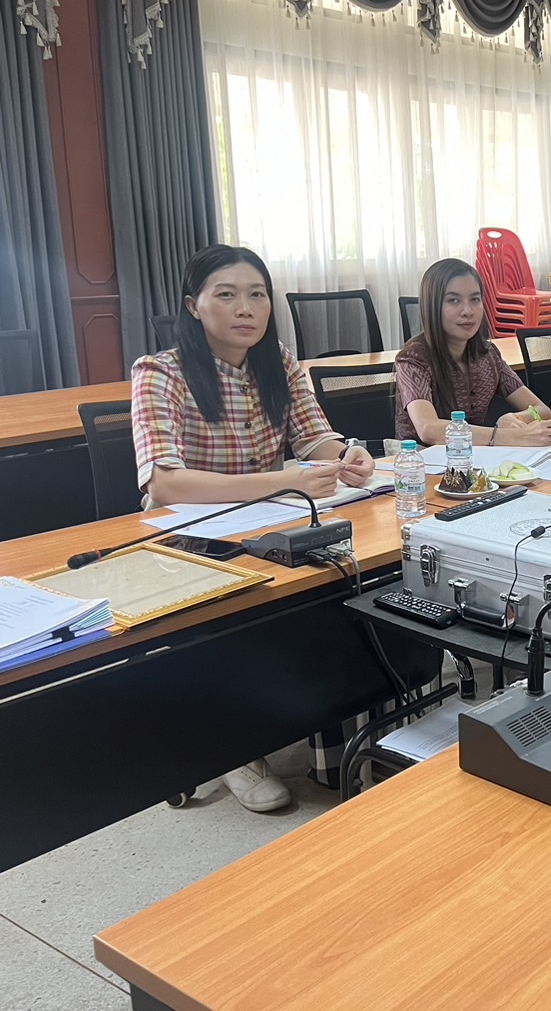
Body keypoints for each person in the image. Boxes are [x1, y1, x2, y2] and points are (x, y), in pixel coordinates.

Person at [130, 244, 378, 812]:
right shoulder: (159, 373)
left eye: (257, 294)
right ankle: (235, 749)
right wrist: (278, 483)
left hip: (270, 525)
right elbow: (164, 484)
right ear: (193, 306)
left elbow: (314, 438)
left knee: (348, 576)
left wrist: (346, 455)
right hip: (188, 542)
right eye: (227, 294)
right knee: (239, 615)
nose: (246, 308)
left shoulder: (280, 362)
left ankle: (331, 736)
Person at [396, 257, 551, 447]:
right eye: (453, 300)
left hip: (475, 463)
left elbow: (540, 410)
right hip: (421, 468)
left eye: (475, 299)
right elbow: (429, 430)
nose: (467, 311)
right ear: (432, 306)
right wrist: (503, 436)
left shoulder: (487, 354)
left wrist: (514, 418)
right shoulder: (413, 359)